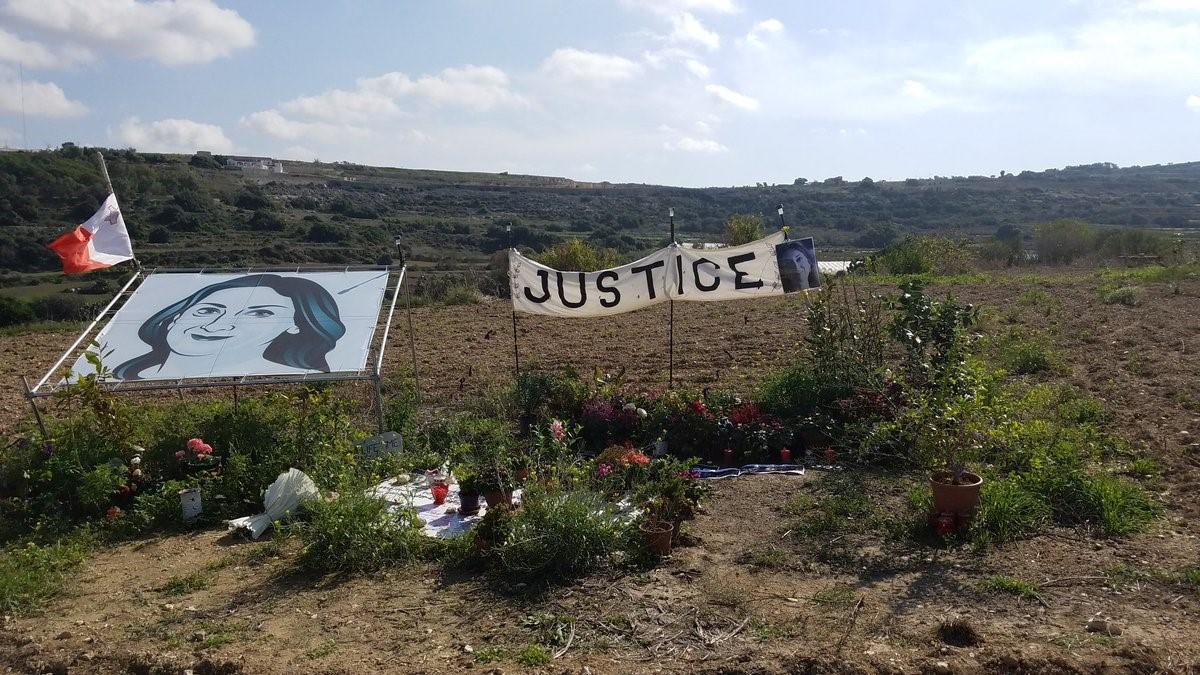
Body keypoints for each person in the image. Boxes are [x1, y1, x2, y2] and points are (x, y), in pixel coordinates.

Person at [112, 274, 346, 380]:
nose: (216, 325)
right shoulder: (115, 372)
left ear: (295, 326)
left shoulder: (288, 380)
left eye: (259, 313)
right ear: (176, 315)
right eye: (208, 310)